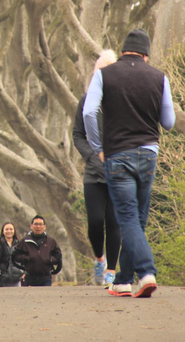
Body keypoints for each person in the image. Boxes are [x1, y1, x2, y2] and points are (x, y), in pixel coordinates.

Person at [84, 28, 175, 298]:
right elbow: (168, 123)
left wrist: (98, 146)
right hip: (148, 153)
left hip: (118, 155)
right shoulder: (159, 77)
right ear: (146, 55)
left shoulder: (104, 74)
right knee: (137, 219)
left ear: (123, 51)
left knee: (128, 218)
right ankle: (123, 280)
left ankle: (146, 272)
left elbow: (89, 111)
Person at [73, 49, 121, 286]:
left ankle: (111, 270)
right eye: (99, 71)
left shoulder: (123, 100)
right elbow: (77, 135)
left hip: (118, 171)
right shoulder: (86, 101)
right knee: (94, 222)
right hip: (94, 172)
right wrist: (93, 157)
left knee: (114, 222)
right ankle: (99, 259)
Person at [11, 216, 62, 286]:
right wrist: (27, 258)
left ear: (44, 227)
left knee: (45, 296)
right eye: (36, 224)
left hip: (46, 277)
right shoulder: (25, 241)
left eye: (40, 224)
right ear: (31, 226)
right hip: (29, 277)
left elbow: (58, 256)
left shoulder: (51, 241)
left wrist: (49, 259)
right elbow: (15, 256)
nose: (38, 226)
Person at [0, 222, 24, 287]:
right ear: (3, 231)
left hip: (17, 278)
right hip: (2, 278)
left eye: (11, 229)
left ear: (14, 231)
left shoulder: (20, 244)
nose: (9, 231)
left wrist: (24, 272)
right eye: (6, 229)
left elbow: (25, 259)